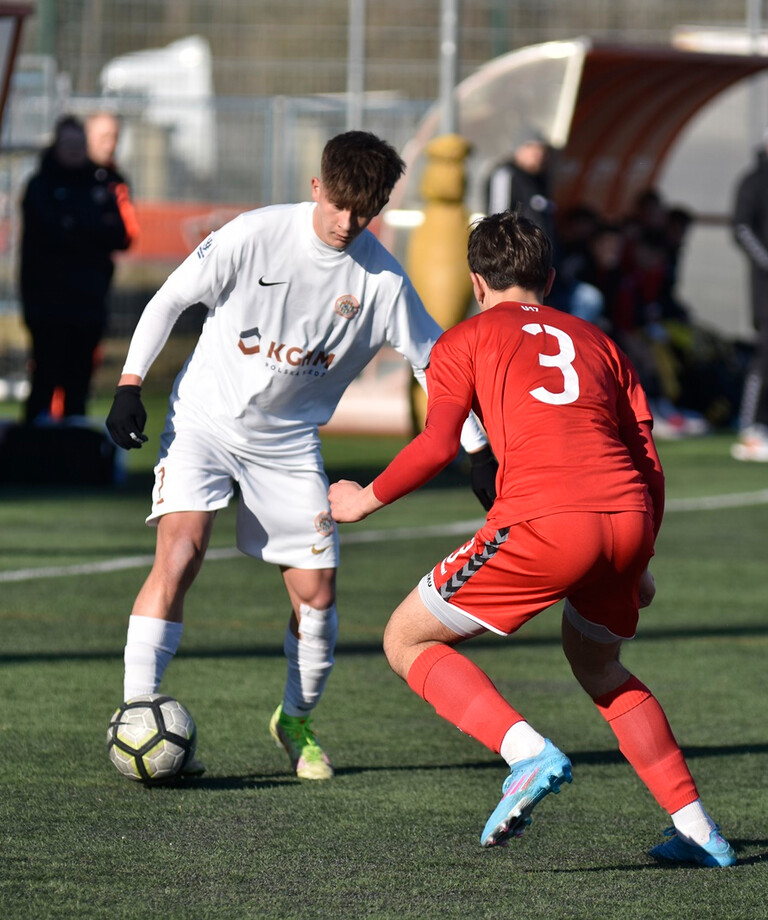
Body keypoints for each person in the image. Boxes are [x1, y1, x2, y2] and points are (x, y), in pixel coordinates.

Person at [329, 211, 735, 867]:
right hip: (627, 519)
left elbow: (438, 444)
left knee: (405, 639)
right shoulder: (602, 344)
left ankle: (526, 753)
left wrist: (362, 500)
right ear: (548, 279)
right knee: (600, 666)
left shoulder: (464, 338)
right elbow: (647, 461)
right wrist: (641, 559)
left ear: (475, 281)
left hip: (546, 520)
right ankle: (700, 832)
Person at [105, 130, 494, 781]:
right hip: (205, 421)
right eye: (339, 204)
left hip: (286, 447)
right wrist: (128, 384)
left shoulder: (383, 283)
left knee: (317, 596)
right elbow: (170, 297)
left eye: (363, 211)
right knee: (181, 550)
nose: (347, 223)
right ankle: (137, 711)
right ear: (317, 187)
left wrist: (479, 452)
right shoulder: (253, 235)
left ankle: (295, 720)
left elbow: (439, 368)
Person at [20, 114, 131, 423]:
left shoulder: (103, 185)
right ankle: (32, 448)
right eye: (68, 143)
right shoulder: (40, 186)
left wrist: (77, 228)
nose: (74, 150)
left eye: (79, 144)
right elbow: (52, 233)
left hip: (88, 303)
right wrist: (86, 229)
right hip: (46, 304)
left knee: (78, 383)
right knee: (45, 378)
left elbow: (119, 233)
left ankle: (73, 453)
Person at [731, 133, 768, 461]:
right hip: (764, 288)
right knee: (765, 350)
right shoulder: (754, 182)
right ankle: (749, 427)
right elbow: (741, 228)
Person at [85, 110, 140, 247]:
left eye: (115, 138)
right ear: (86, 137)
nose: (110, 145)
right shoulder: (64, 175)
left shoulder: (116, 182)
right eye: (104, 137)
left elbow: (129, 233)